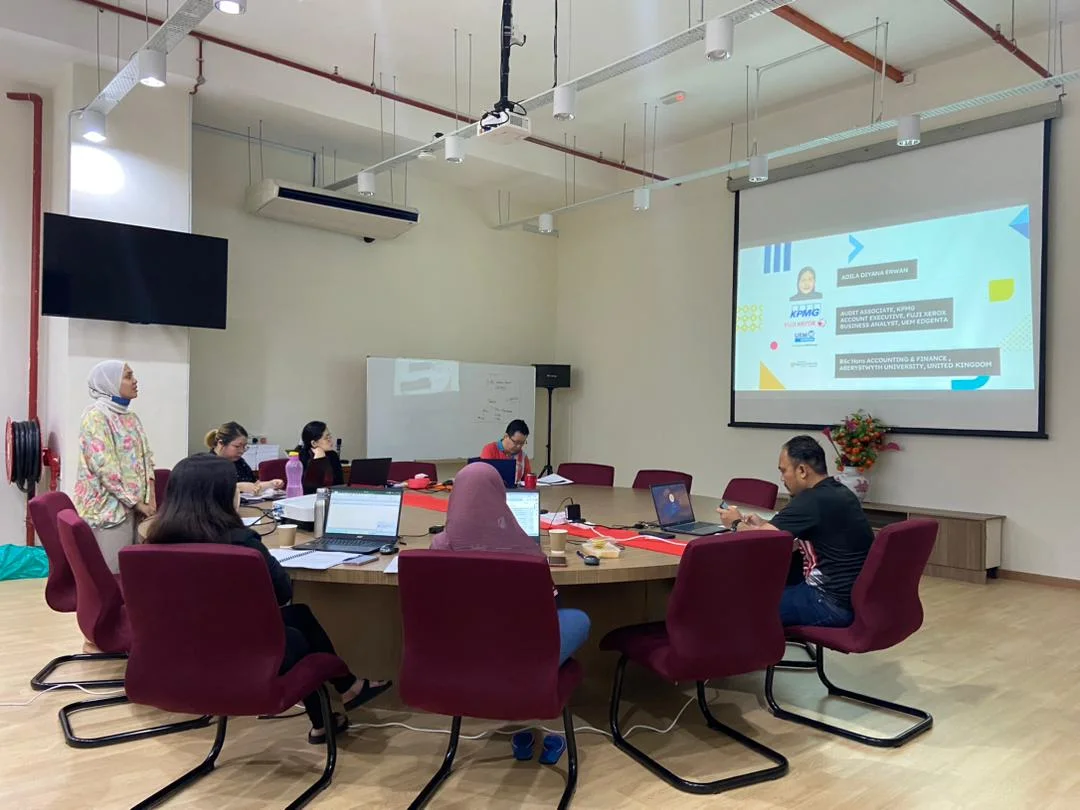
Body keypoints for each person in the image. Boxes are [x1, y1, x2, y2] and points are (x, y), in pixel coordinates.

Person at [145, 455, 391, 744]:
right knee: (295, 636)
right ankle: (335, 702)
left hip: (182, 650)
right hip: (245, 656)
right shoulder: (241, 542)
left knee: (300, 615)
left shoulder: (154, 542)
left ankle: (346, 691)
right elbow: (282, 593)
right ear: (223, 497)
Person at [432, 462, 589, 665]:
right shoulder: (525, 549)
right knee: (578, 619)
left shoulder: (441, 545)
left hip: (460, 649)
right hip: (520, 652)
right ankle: (529, 674)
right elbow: (551, 605)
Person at [716, 435, 873, 628]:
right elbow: (778, 534)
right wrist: (764, 524)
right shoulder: (839, 492)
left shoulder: (811, 500)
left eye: (784, 471)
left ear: (802, 471)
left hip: (827, 603)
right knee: (759, 590)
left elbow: (760, 542)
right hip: (849, 599)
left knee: (737, 606)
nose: (782, 478)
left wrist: (735, 523)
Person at [73, 360, 156, 576]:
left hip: (138, 509)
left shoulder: (132, 418)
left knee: (135, 574)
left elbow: (147, 459)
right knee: (114, 575)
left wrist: (150, 499)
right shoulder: (95, 417)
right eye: (128, 376)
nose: (135, 381)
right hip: (108, 510)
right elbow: (105, 468)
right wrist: (137, 503)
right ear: (109, 383)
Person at [204, 421, 284, 496]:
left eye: (244, 447)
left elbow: (253, 485)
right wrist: (238, 487)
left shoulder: (239, 462)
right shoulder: (207, 464)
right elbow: (208, 493)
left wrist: (270, 484)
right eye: (237, 446)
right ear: (221, 443)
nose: (242, 451)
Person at [480, 419, 533, 485]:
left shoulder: (523, 457)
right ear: (506, 436)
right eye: (516, 442)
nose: (519, 446)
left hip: (515, 491)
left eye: (522, 443)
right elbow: (484, 477)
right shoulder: (489, 450)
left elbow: (527, 482)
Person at [296, 421, 344, 494]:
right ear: (314, 443)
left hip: (332, 497)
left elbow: (340, 485)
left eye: (330, 436)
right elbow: (308, 490)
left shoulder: (333, 455)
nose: (331, 440)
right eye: (326, 438)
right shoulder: (301, 458)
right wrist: (318, 460)